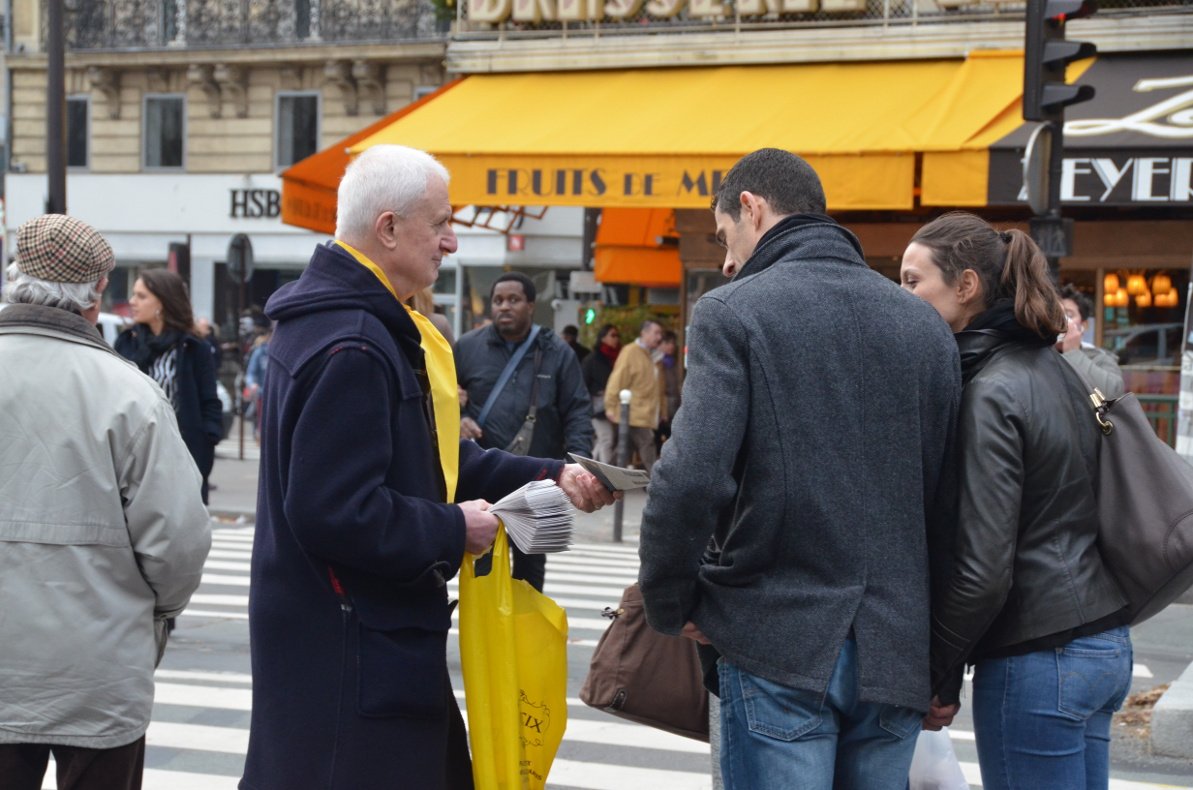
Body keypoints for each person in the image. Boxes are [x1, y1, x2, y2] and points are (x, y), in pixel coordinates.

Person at [240, 144, 614, 790]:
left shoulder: (348, 326)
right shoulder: (355, 341)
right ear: (388, 228)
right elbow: (332, 510)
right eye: (440, 223)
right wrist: (451, 529)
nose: (450, 243)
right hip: (354, 649)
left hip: (352, 642)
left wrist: (547, 472)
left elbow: (432, 457)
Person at [638, 148, 961, 789]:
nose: (729, 261)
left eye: (727, 236)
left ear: (752, 208)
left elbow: (691, 476)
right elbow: (949, 509)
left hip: (777, 636)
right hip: (895, 649)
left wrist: (672, 603)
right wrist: (942, 663)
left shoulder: (733, 312)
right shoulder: (925, 328)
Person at [901, 211, 1131, 790]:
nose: (900, 297)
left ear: (966, 287)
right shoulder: (1059, 369)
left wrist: (937, 677)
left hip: (1040, 653)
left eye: (911, 281)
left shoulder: (988, 391)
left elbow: (983, 572)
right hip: (1104, 640)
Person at [0, 214, 211, 790]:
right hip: (99, 666)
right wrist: (158, 616)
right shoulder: (130, 394)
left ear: (16, 279)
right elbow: (180, 542)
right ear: (96, 298)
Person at [455, 272, 594, 591]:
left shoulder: (557, 352)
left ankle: (525, 637)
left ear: (531, 305)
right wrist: (460, 416)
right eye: (498, 300)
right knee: (482, 572)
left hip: (538, 481)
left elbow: (577, 410)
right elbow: (444, 395)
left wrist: (579, 465)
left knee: (531, 575)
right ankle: (487, 639)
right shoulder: (466, 348)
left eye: (513, 300)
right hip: (483, 481)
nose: (504, 306)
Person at [115, 269, 222, 504]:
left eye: (141, 296)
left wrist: (207, 441)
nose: (132, 302)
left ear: (162, 302)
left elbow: (210, 402)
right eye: (133, 295)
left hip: (182, 454)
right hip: (134, 454)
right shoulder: (126, 343)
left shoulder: (193, 347)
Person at [604, 319, 664, 472]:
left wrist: (662, 411)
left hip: (641, 412)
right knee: (647, 444)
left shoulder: (652, 356)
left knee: (624, 450)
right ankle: (655, 483)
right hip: (634, 411)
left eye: (660, 334)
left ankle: (603, 478)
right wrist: (610, 405)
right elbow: (618, 378)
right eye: (656, 333)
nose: (659, 337)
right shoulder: (631, 351)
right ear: (644, 333)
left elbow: (656, 388)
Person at [1058, 284, 1125, 398]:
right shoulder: (1038, 354)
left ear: (1084, 325)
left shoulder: (1100, 359)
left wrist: (1072, 351)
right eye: (1056, 314)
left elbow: (1112, 393)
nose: (1062, 320)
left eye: (1069, 315)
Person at [581, 323, 621, 463]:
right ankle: (604, 475)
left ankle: (588, 467)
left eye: (617, 335)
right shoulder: (592, 359)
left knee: (603, 440)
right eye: (612, 335)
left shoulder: (617, 358)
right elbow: (583, 384)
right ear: (602, 338)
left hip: (613, 405)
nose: (616, 339)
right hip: (597, 407)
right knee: (606, 438)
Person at [655, 329, 681, 447]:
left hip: (674, 403)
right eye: (668, 343)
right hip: (662, 404)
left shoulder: (675, 363)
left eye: (673, 343)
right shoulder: (657, 362)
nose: (671, 346)